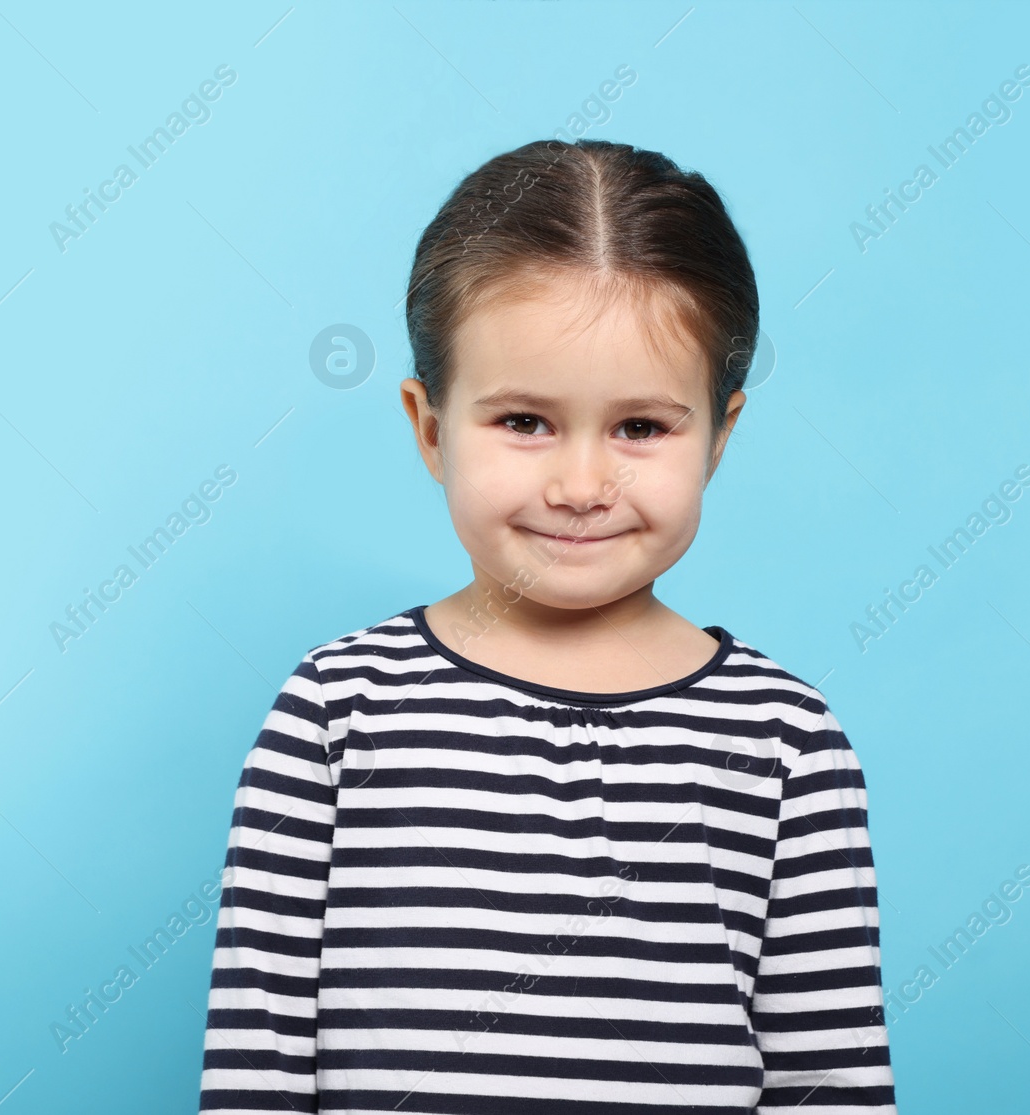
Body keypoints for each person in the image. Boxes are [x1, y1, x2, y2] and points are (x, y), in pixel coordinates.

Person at [197, 138, 898, 1113]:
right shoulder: (333, 716)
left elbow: (833, 1086)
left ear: (719, 435)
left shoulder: (785, 745)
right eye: (523, 420)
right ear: (429, 426)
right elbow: (253, 1076)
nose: (579, 487)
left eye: (641, 427)